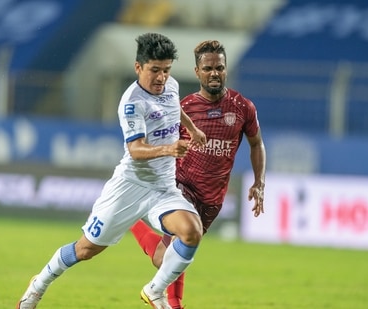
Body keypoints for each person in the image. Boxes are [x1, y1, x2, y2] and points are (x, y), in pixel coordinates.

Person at [16, 32, 207, 309]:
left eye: (166, 70)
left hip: (163, 188)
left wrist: (191, 127)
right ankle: (38, 285)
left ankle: (155, 290)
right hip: (129, 187)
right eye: (155, 70)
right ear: (138, 67)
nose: (161, 77)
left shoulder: (172, 86)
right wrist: (168, 149)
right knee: (85, 250)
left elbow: (174, 108)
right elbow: (136, 150)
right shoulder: (132, 103)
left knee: (191, 231)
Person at [130, 39, 266, 308]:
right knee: (179, 247)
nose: (214, 73)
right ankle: (173, 303)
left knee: (165, 256)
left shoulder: (242, 107)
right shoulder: (185, 108)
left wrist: (259, 182)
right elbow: (159, 141)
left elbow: (256, 143)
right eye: (208, 68)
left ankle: (131, 221)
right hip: (182, 187)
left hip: (213, 198)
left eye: (219, 67)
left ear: (226, 69)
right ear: (197, 72)